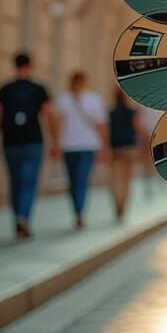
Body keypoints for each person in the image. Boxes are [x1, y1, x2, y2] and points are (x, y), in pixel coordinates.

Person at [0, 52, 57, 240]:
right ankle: (23, 216)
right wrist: (55, 141)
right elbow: (49, 115)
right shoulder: (39, 88)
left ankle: (17, 218)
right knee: (29, 182)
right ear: (31, 65)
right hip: (33, 141)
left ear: (14, 65)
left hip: (10, 142)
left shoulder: (4, 89)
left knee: (15, 181)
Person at [56, 70, 107, 228]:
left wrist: (104, 146)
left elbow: (101, 125)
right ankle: (78, 210)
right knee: (74, 181)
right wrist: (56, 144)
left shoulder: (93, 99)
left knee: (81, 179)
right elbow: (58, 124)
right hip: (70, 146)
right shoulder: (63, 99)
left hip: (87, 146)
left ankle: (79, 211)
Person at [108, 89, 147, 220]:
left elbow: (106, 131)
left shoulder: (110, 113)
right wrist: (147, 142)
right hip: (129, 149)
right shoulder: (132, 113)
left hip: (115, 149)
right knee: (126, 180)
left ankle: (117, 202)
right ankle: (123, 204)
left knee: (115, 179)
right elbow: (140, 129)